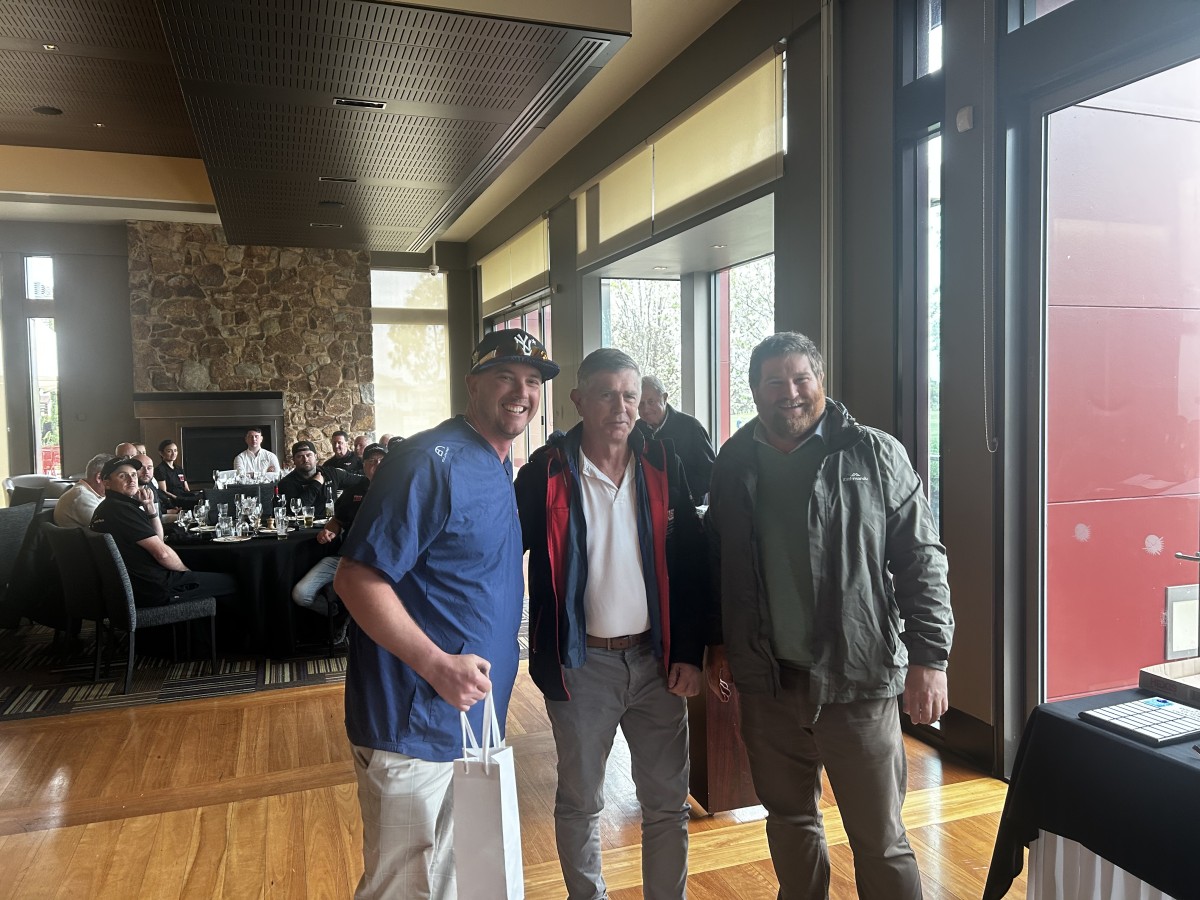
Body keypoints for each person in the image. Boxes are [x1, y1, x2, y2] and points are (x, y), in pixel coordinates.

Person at [705, 331, 953, 900]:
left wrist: (931, 659)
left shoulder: (873, 453)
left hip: (857, 679)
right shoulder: (734, 461)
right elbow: (720, 565)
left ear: (821, 381)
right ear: (754, 390)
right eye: (774, 382)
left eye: (801, 378)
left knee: (880, 838)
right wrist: (720, 645)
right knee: (790, 822)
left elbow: (921, 559)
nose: (789, 392)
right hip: (769, 684)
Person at [333, 328, 558, 900]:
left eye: (533, 381)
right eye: (505, 376)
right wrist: (436, 664)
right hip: (411, 723)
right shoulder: (427, 462)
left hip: (471, 722)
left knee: (464, 883)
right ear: (472, 383)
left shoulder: (497, 463)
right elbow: (356, 579)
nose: (522, 392)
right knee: (403, 886)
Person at [514, 348, 708, 900]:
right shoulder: (546, 473)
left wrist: (689, 652)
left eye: (630, 396)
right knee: (581, 802)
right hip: (582, 666)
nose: (621, 407)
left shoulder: (662, 463)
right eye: (607, 395)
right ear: (579, 400)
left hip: (657, 664)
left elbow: (691, 564)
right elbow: (499, 557)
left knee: (667, 804)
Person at [91, 457, 238, 608]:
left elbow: (158, 540)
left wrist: (150, 510)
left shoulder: (106, 509)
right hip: (153, 589)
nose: (131, 479)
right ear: (106, 482)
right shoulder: (122, 510)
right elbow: (162, 554)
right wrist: (187, 573)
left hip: (131, 588)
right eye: (123, 476)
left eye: (133, 474)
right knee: (234, 581)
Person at [292, 442, 386, 640]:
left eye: (381, 460)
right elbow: (338, 520)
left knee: (365, 592)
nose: (377, 464)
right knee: (301, 594)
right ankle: (340, 613)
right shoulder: (353, 492)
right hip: (345, 558)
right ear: (363, 465)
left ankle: (357, 629)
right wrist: (328, 531)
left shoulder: (401, 492)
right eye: (371, 461)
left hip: (381, 563)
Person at [637, 374, 717, 506]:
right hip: (650, 506)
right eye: (641, 404)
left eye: (651, 402)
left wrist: (685, 495)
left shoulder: (691, 427)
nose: (645, 409)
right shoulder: (636, 430)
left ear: (664, 398)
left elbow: (710, 473)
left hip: (687, 506)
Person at [279, 440, 349, 509]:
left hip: (331, 516)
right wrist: (316, 484)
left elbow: (355, 482)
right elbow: (297, 510)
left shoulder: (331, 473)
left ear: (316, 456)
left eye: (309, 455)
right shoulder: (286, 483)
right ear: (294, 460)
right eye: (300, 456)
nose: (305, 460)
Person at [53, 452, 114, 528]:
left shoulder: (94, 493)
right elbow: (109, 528)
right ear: (99, 477)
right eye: (118, 477)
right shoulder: (82, 497)